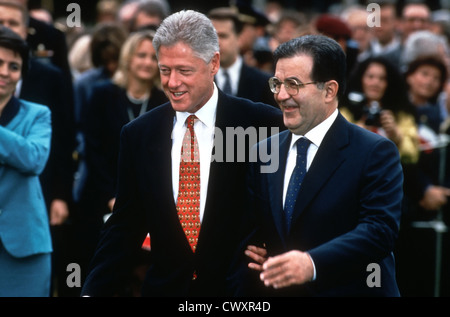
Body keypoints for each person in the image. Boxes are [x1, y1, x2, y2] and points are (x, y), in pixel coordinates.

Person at [80, 10, 284, 297]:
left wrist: (276, 250)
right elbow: (124, 227)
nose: (172, 82)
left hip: (240, 294)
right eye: (164, 70)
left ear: (213, 63)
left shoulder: (261, 124)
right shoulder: (139, 134)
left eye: (184, 71)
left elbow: (288, 206)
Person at [238, 34, 403, 296]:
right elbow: (254, 229)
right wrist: (255, 252)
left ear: (329, 90)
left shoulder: (374, 151)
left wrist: (311, 263)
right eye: (277, 83)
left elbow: (378, 231)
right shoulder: (263, 151)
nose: (281, 95)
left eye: (293, 84)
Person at [74, 29, 168, 295]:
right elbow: (93, 149)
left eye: (154, 57)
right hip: (100, 197)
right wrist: (112, 196)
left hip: (150, 205)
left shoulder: (165, 101)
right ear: (128, 57)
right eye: (141, 55)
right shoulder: (102, 94)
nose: (147, 62)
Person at [0, 25, 52, 296]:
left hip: (25, 249)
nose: (4, 72)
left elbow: (34, 158)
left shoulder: (38, 114)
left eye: (13, 66)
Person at [208, 7, 277, 107]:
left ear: (239, 38)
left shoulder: (262, 83)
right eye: (213, 37)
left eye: (223, 36)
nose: (217, 42)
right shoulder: (199, 81)